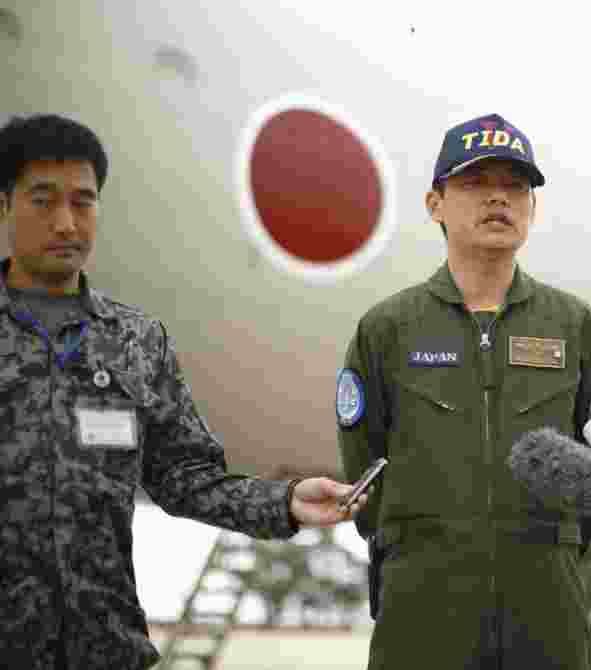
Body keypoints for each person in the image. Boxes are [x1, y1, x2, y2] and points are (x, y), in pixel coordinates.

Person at [0, 114, 368, 670]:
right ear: (5, 205)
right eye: (43, 201)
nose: (67, 223)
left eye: (83, 202)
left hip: (106, 650)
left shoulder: (135, 341)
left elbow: (183, 477)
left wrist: (284, 501)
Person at [338, 113, 591, 669]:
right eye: (475, 182)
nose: (499, 197)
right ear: (435, 204)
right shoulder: (389, 328)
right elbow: (365, 472)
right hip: (424, 610)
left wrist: (546, 547)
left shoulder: (573, 326)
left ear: (532, 208)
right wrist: (431, 544)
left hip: (546, 613)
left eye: (515, 186)